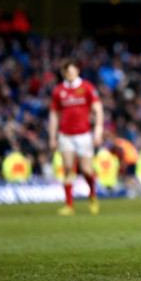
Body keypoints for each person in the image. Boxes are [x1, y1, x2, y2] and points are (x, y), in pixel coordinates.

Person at [49, 58, 104, 216]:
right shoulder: (58, 91)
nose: (69, 74)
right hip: (65, 135)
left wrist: (98, 130)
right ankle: (69, 204)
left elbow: (98, 109)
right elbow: (54, 115)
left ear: (77, 71)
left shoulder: (87, 88)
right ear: (63, 73)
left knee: (86, 169)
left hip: (83, 134)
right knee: (67, 168)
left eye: (72, 71)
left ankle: (92, 195)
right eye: (66, 72)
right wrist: (52, 137)